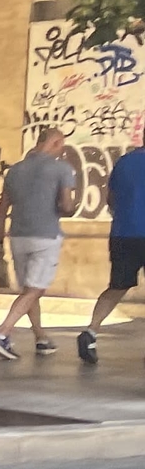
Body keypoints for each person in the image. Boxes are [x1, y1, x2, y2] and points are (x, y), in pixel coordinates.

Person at [0, 125, 79, 361]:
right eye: (62, 145)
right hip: (45, 236)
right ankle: (1, 333)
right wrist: (67, 209)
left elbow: (1, 209)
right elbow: (67, 206)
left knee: (29, 289)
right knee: (36, 289)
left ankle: (41, 338)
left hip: (17, 236)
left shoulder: (15, 170)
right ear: (56, 143)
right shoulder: (62, 169)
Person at [78, 138, 145, 363]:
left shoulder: (124, 162)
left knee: (117, 286)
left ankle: (91, 331)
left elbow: (111, 199)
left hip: (123, 234)